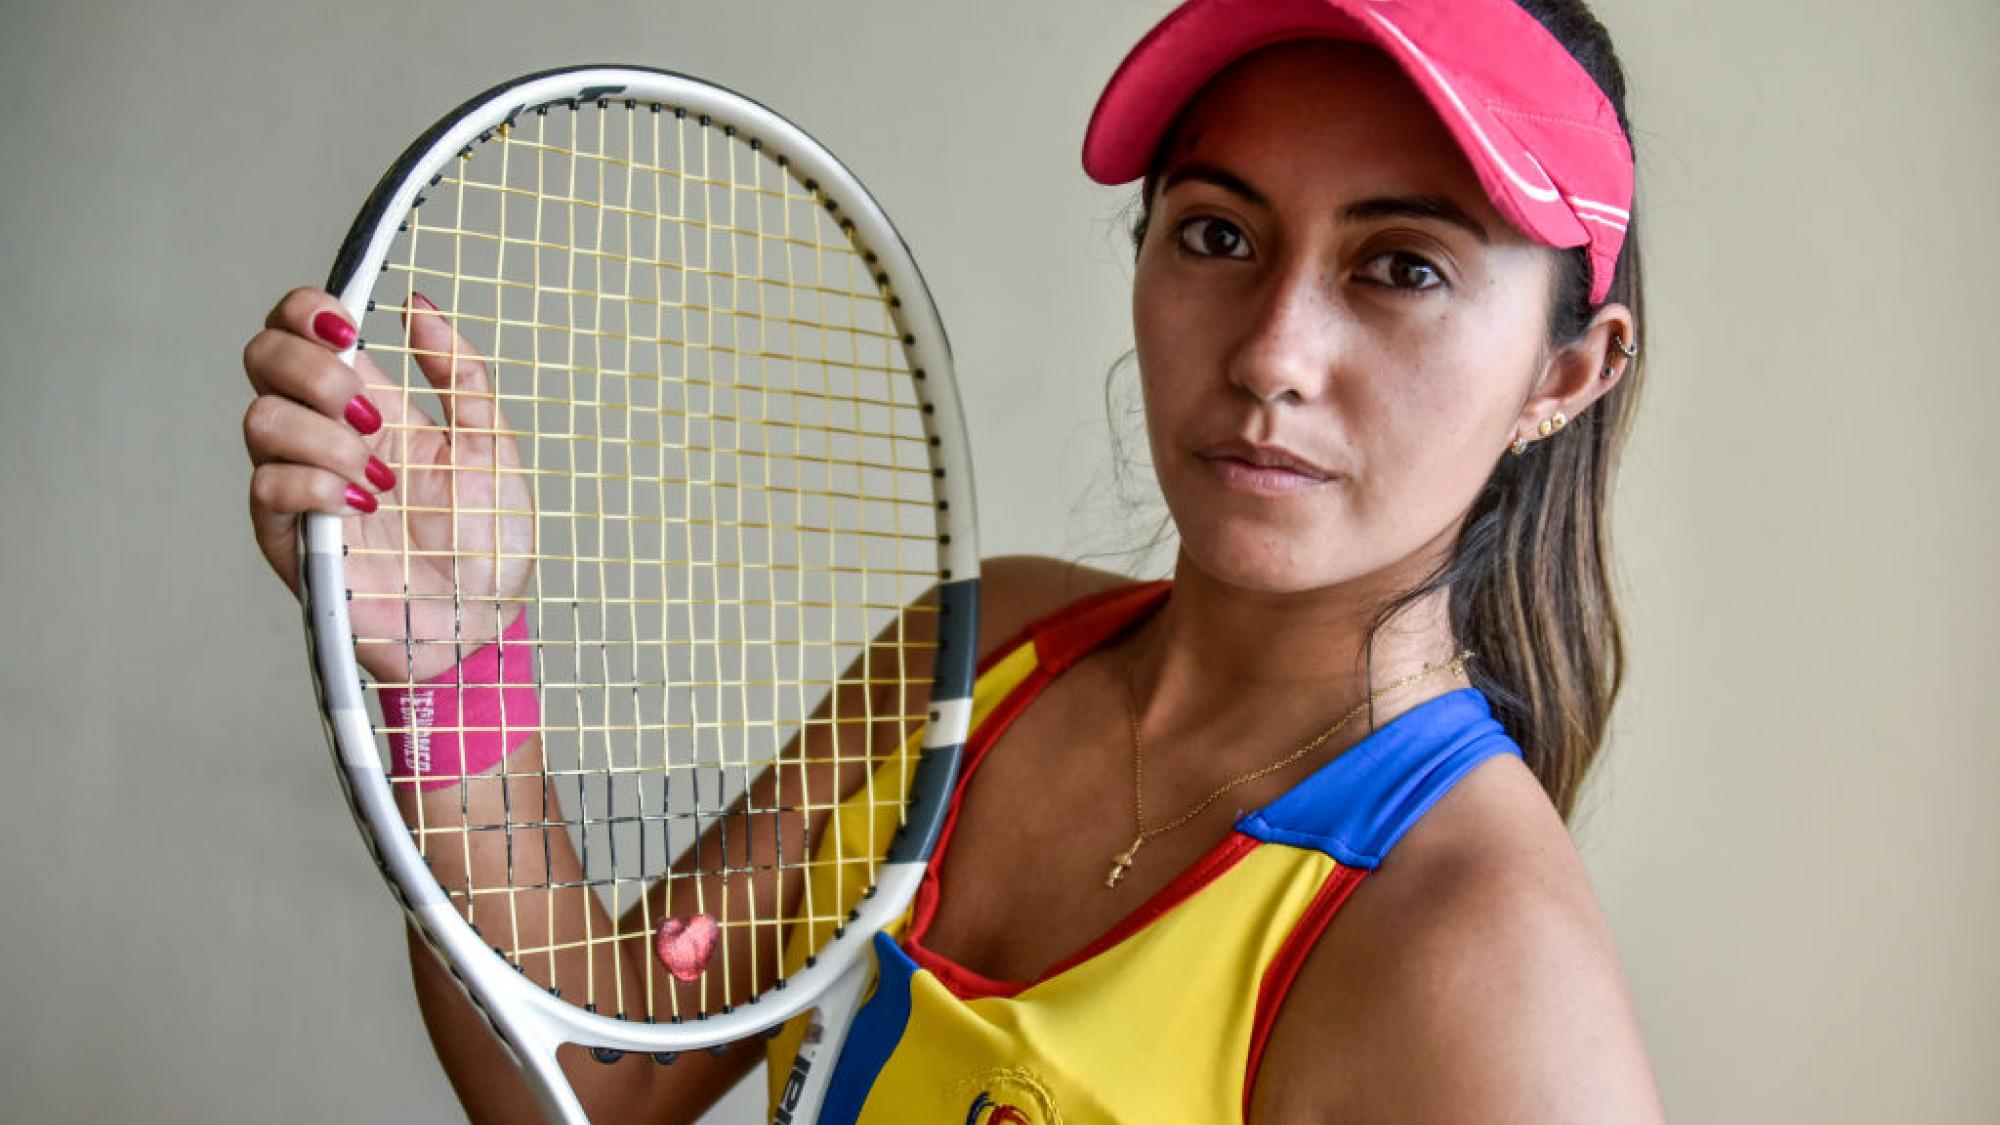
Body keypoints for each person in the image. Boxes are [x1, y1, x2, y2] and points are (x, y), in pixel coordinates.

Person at [242, 0, 1667, 1119]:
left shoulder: (1477, 965)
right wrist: (453, 671)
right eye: (1218, 233)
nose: (1273, 351)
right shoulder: (992, 652)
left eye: (1402, 266)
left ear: (1569, 370)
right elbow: (597, 1079)